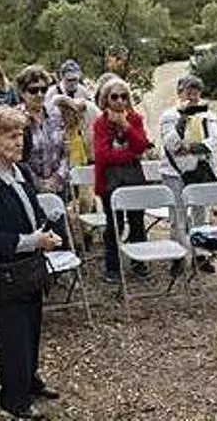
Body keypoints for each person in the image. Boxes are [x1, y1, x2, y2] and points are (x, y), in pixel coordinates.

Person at [0, 107, 61, 420]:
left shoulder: (20, 171)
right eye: (10, 136)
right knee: (11, 337)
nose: (18, 142)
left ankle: (29, 380)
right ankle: (13, 401)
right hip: (3, 273)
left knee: (31, 328)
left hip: (29, 267)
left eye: (20, 135)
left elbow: (32, 212)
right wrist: (33, 241)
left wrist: (46, 232)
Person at [159, 75, 217, 273]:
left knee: (200, 213)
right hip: (175, 173)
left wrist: (191, 148)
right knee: (177, 216)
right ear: (180, 93)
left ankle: (200, 255)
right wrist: (183, 119)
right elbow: (171, 144)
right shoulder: (169, 116)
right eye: (188, 92)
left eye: (196, 93)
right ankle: (177, 256)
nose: (192, 97)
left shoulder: (208, 115)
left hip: (200, 170)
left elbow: (216, 141)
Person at [93, 77, 150, 283]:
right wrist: (131, 154)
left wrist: (125, 126)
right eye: (114, 96)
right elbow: (103, 155)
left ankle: (139, 262)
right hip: (110, 182)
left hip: (134, 179)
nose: (119, 101)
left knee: (137, 222)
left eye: (124, 96)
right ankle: (113, 266)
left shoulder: (135, 119)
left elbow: (142, 145)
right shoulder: (100, 123)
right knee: (114, 224)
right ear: (106, 99)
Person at [16, 65, 69, 198]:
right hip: (29, 190)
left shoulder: (56, 115)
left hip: (58, 189)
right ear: (22, 92)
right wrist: (39, 183)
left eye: (44, 89)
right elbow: (17, 160)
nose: (39, 95)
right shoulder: (15, 119)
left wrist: (57, 178)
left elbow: (66, 151)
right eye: (33, 90)